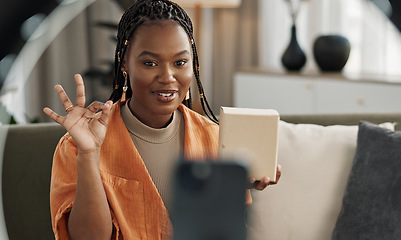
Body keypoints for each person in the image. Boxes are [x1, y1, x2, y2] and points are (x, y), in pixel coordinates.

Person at [43, 0, 281, 239]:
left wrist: (237, 184)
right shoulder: (76, 145)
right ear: (125, 62)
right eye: (150, 63)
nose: (168, 77)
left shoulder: (217, 139)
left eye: (180, 62)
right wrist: (89, 154)